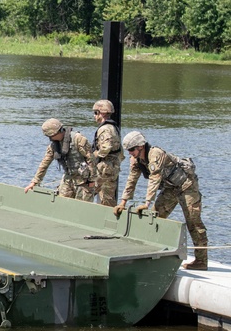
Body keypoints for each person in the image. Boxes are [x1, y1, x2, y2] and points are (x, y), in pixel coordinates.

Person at [114, 131, 208, 270]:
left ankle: (201, 261)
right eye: (128, 150)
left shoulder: (155, 154)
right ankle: (152, 254)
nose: (130, 153)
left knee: (194, 222)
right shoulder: (136, 159)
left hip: (186, 186)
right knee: (155, 218)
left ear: (140, 146)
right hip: (170, 189)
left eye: (132, 150)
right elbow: (132, 179)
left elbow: (154, 179)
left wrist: (147, 203)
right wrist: (123, 202)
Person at [23, 118, 95, 201]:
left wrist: (92, 180)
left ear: (57, 132)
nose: (50, 138)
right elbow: (45, 163)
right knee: (62, 203)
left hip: (84, 180)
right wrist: (35, 181)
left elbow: (91, 159)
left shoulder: (77, 139)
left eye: (50, 136)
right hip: (68, 178)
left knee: (82, 208)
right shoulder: (54, 145)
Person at [91, 99, 123, 206]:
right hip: (112, 167)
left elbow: (106, 147)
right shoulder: (114, 127)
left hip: (104, 168)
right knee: (108, 198)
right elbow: (120, 150)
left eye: (96, 113)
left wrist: (93, 155)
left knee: (87, 190)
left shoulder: (105, 128)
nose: (95, 116)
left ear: (102, 113)